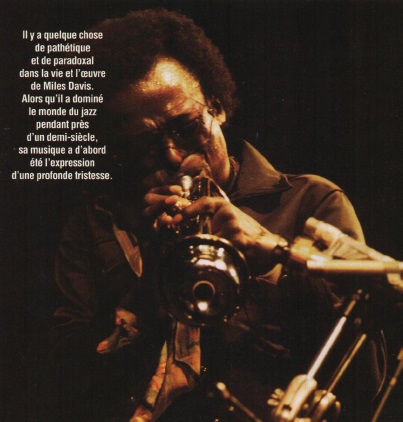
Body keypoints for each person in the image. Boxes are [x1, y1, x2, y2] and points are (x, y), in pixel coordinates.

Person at [49, 9, 378, 422]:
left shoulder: (312, 202)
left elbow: (367, 378)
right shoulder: (96, 225)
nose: (172, 157)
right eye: (144, 145)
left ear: (218, 107)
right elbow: (63, 385)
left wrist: (272, 262)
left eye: (187, 128)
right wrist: (149, 289)